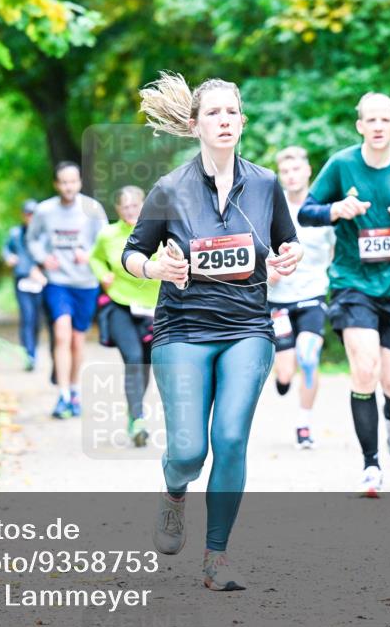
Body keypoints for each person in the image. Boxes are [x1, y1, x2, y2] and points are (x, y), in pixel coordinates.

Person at [122, 72, 303, 590]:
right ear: (195, 124)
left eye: (231, 112)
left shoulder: (265, 184)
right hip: (182, 327)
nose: (224, 121)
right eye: (213, 113)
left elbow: (287, 242)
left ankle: (216, 557)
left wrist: (290, 255)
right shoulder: (169, 189)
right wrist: (154, 268)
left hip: (247, 326)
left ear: (242, 121)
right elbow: (131, 253)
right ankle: (174, 491)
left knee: (229, 438)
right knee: (187, 453)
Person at [298, 92, 390, 497]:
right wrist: (335, 210)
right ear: (360, 125)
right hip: (354, 282)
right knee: (365, 370)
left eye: (385, 120)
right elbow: (306, 212)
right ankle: (370, 465)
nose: (378, 126)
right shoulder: (342, 164)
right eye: (371, 120)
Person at [266, 146, 335, 450]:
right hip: (278, 300)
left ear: (308, 172)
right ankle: (282, 378)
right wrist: (268, 269)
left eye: (296, 170)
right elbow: (257, 247)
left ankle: (304, 424)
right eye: (285, 172)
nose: (292, 176)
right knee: (285, 371)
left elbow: (335, 251)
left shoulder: (322, 211)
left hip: (312, 295)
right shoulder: (271, 208)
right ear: (280, 176)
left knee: (308, 356)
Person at [27, 161, 108, 419]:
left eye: (72, 181)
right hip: (57, 281)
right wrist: (42, 258)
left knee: (76, 340)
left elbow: (106, 242)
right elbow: (32, 239)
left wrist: (90, 255)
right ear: (56, 184)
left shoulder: (92, 209)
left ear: (80, 182)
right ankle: (62, 395)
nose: (68, 187)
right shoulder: (44, 210)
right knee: (61, 334)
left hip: (85, 283)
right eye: (63, 182)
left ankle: (74, 390)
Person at [89, 185, 160, 447]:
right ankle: (139, 418)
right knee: (132, 357)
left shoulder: (159, 232)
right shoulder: (108, 235)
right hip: (120, 304)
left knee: (145, 363)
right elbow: (95, 258)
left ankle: (134, 412)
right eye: (125, 207)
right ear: (118, 209)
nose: (130, 211)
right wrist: (103, 275)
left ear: (144, 206)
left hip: (153, 308)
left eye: (135, 206)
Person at [3, 199, 47, 371]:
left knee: (37, 320)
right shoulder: (15, 233)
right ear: (23, 215)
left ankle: (33, 350)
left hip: (40, 282)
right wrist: (9, 257)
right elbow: (7, 249)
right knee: (27, 317)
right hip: (22, 281)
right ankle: (29, 355)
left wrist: (39, 269)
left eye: (34, 214)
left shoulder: (44, 235)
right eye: (28, 214)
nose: (31, 217)